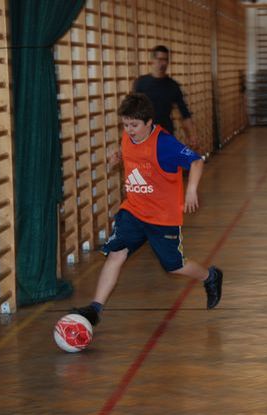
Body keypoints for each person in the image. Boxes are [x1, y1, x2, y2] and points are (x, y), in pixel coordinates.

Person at [72, 93, 222, 327]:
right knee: (116, 254)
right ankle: (95, 309)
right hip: (133, 210)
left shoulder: (164, 143)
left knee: (175, 266)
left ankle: (210, 276)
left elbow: (196, 161)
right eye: (125, 125)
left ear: (149, 122)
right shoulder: (128, 136)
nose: (129, 130)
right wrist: (117, 156)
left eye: (134, 125)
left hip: (162, 217)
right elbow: (129, 150)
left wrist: (191, 189)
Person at [132, 45, 199, 148]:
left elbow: (184, 113)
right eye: (159, 59)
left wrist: (192, 135)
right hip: (144, 135)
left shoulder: (173, 86)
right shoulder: (141, 83)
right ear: (152, 60)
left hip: (165, 134)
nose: (162, 63)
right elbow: (132, 111)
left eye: (165, 60)